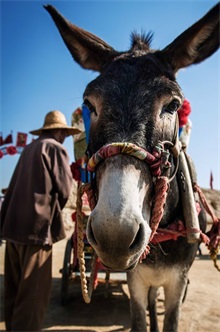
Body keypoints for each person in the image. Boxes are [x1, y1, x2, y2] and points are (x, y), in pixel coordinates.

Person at [0, 110, 81, 331]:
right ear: (60, 131)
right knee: (33, 296)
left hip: (12, 228)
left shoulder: (28, 149)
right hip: (36, 230)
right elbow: (64, 190)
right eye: (64, 132)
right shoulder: (55, 148)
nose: (64, 136)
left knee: (14, 291)